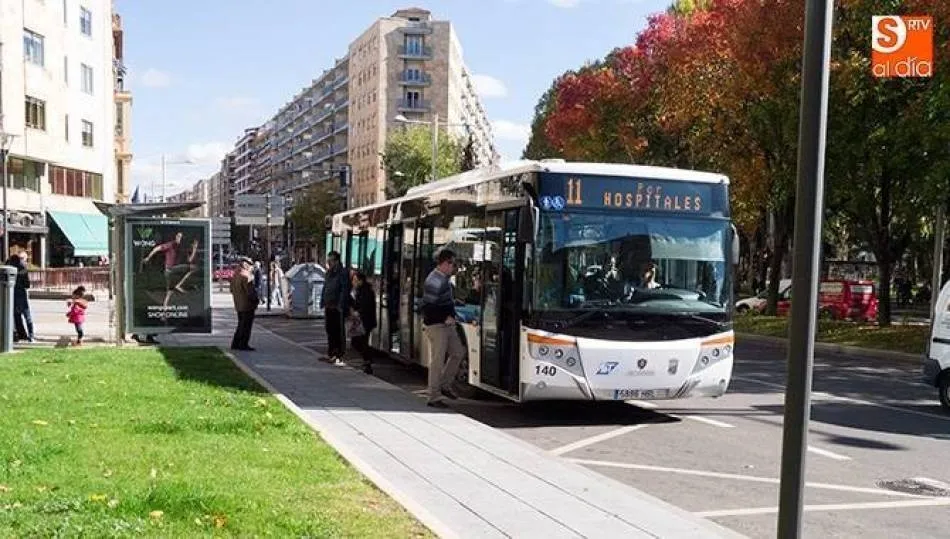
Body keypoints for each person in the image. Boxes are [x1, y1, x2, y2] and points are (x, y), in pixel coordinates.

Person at [421, 249, 464, 408]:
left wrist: (452, 313)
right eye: (452, 263)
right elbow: (429, 308)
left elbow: (445, 302)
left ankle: (444, 385)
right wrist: (444, 317)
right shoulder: (434, 281)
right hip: (436, 325)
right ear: (444, 263)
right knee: (437, 361)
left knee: (458, 353)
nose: (454, 267)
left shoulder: (444, 279)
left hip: (447, 324)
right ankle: (433, 396)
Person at [141, 232, 199, 311]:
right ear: (176, 237)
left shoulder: (181, 247)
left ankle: (164, 314)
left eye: (182, 238)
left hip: (173, 270)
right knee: (194, 268)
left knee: (169, 293)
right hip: (170, 269)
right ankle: (179, 285)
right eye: (179, 237)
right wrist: (148, 257)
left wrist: (194, 249)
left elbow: (189, 260)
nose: (180, 240)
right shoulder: (171, 244)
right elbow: (157, 248)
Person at [321, 251, 348, 363]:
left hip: (337, 307)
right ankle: (331, 353)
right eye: (328, 260)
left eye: (331, 260)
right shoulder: (329, 273)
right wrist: (323, 301)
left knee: (337, 331)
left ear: (336, 261)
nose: (329, 262)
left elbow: (344, 289)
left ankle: (338, 354)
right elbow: (325, 287)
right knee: (329, 330)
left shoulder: (342, 273)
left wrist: (340, 304)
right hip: (329, 305)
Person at [348, 270, 377, 374]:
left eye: (355, 280)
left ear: (360, 281)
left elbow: (365, 306)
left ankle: (368, 361)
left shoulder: (366, 291)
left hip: (365, 321)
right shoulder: (358, 291)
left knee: (361, 341)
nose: (353, 282)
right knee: (357, 342)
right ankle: (367, 360)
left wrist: (357, 312)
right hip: (361, 321)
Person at [230, 257, 257, 351]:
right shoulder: (246, 276)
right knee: (246, 326)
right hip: (247, 305)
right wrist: (256, 301)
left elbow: (231, 290)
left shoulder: (235, 275)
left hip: (238, 304)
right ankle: (243, 344)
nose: (251, 267)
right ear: (246, 265)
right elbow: (250, 292)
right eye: (250, 265)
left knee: (240, 325)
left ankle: (235, 343)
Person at [8, 252, 34, 343]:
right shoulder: (22, 269)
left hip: (10, 295)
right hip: (21, 295)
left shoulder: (8, 267)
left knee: (16, 316)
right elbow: (27, 285)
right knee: (27, 316)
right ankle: (31, 336)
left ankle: (19, 335)